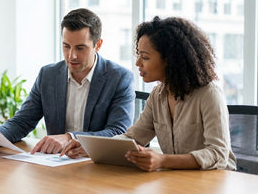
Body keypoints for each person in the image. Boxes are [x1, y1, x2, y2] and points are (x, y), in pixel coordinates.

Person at [61, 16, 237, 171]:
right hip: (179, 183)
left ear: (170, 60)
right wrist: (90, 147)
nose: (138, 62)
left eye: (145, 57)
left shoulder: (209, 94)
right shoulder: (158, 96)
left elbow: (218, 153)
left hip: (216, 185)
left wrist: (163, 160)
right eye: (138, 55)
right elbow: (133, 137)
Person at [0, 8, 135, 154]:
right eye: (66, 46)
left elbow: (118, 131)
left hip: (97, 168)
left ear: (97, 45)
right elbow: (22, 121)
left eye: (80, 48)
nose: (71, 56)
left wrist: (69, 138)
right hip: (56, 166)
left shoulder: (120, 78)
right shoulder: (48, 75)